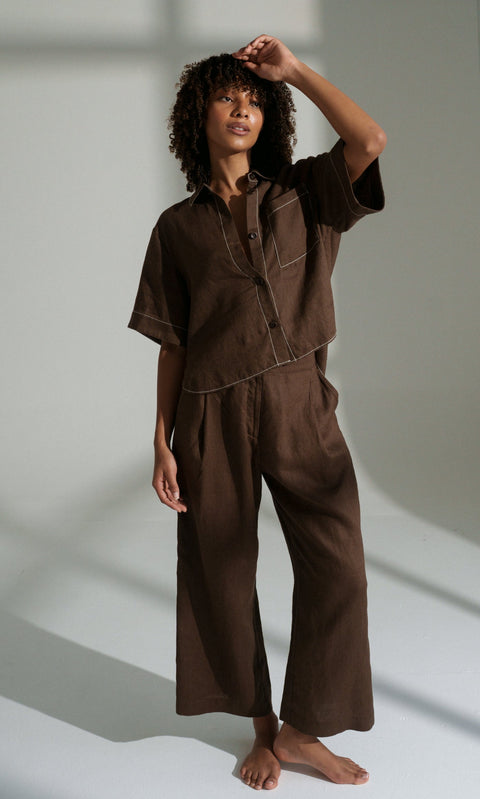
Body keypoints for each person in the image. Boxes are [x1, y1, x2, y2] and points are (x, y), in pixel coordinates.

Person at [128, 34, 386, 790]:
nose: (240, 108)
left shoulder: (305, 193)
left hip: (299, 400)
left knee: (338, 565)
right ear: (195, 115)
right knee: (220, 571)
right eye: (225, 96)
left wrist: (294, 72)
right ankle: (264, 729)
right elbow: (172, 343)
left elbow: (369, 139)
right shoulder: (176, 229)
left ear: (267, 116)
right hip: (209, 412)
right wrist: (161, 441)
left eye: (252, 100)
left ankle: (305, 728)